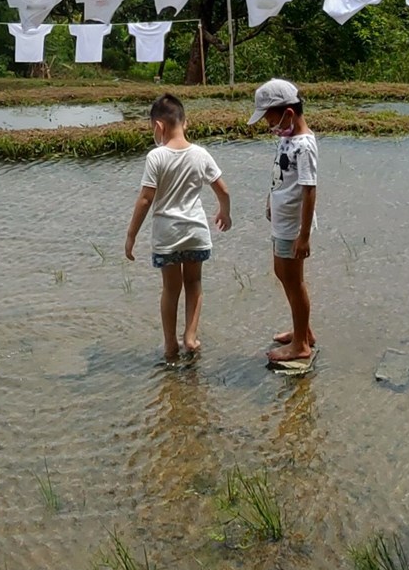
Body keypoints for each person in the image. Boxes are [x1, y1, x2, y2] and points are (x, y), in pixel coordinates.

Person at [124, 93, 233, 363]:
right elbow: (223, 190)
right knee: (194, 283)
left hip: (167, 235)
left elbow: (146, 199)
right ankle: (191, 337)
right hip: (196, 232)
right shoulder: (201, 154)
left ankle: (170, 345)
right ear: (185, 123)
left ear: (158, 127)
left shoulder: (156, 157)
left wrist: (131, 235)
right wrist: (224, 212)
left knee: (170, 289)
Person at [251, 78, 317, 364]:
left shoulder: (304, 145)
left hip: (293, 224)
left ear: (288, 114)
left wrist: (304, 236)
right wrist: (270, 197)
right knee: (283, 274)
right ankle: (304, 330)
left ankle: (301, 344)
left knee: (293, 280)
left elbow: (309, 189)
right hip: (281, 217)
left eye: (271, 119)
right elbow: (281, 173)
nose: (269, 126)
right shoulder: (286, 138)